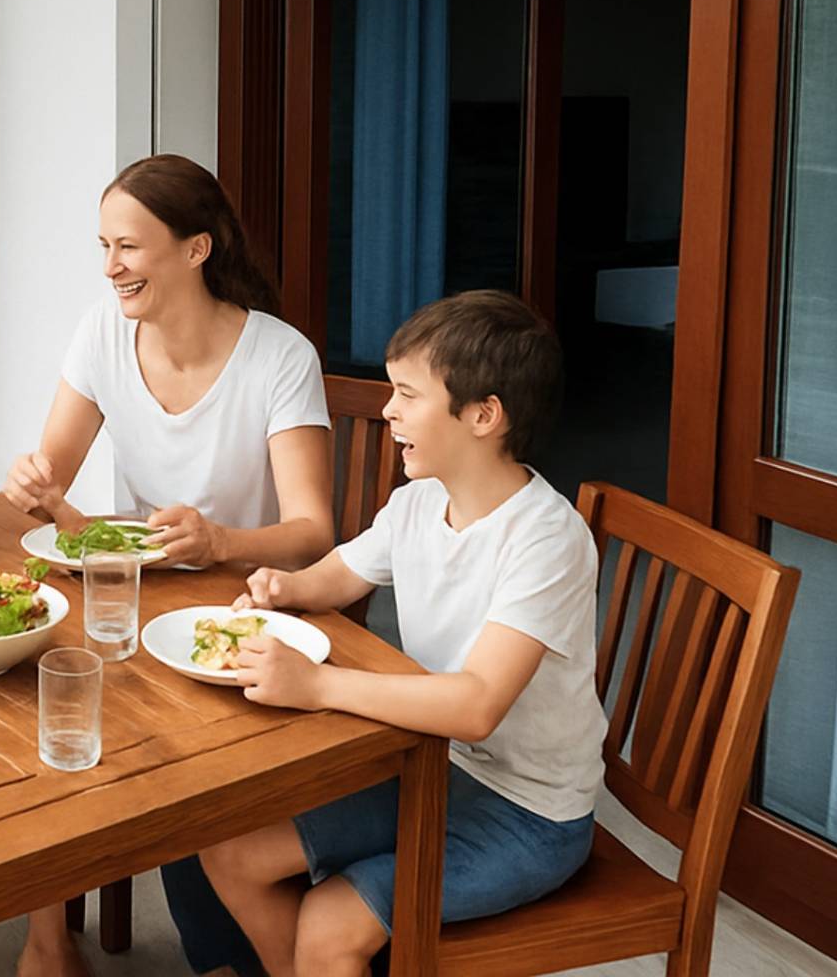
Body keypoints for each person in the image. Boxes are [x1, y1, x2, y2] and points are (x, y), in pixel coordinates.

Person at [193, 290, 604, 977]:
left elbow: (476, 707)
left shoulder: (545, 538)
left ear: (483, 415)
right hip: (429, 767)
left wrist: (319, 684)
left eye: (408, 395)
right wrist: (283, 587)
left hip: (529, 811)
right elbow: (341, 574)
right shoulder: (419, 502)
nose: (388, 410)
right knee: (231, 850)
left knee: (331, 918)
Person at [2, 153, 335, 977]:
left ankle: (224, 961)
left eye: (130, 247)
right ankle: (48, 941)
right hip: (136, 598)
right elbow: (55, 481)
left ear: (196, 249)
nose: (110, 267)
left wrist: (221, 541)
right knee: (44, 709)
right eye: (104, 246)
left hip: (251, 609)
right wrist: (34, 484)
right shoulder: (102, 333)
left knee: (180, 771)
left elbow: (312, 532)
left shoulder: (280, 357)